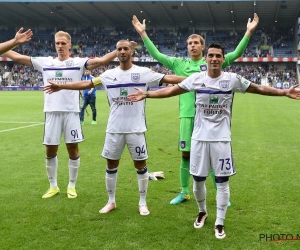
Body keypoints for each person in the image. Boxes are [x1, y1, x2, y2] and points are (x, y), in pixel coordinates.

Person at [127, 42, 300, 239]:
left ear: (222, 59)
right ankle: (202, 212)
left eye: (218, 56)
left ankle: (220, 222)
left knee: (222, 181)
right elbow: (171, 91)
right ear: (206, 58)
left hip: (221, 140)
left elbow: (258, 88)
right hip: (199, 139)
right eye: (211, 55)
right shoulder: (196, 79)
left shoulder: (232, 79)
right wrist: (147, 94)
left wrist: (284, 92)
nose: (215, 59)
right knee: (198, 180)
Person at [43, 39, 186, 215]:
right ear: (116, 52)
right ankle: (111, 201)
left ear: (131, 51)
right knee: (111, 165)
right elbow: (86, 84)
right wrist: (60, 86)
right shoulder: (108, 75)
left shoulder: (143, 73)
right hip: (114, 129)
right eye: (119, 49)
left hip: (136, 129)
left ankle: (142, 202)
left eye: (126, 48)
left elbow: (169, 78)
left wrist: (195, 80)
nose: (122, 51)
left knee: (141, 166)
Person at [132, 13, 259, 205]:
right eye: (190, 43)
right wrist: (143, 34)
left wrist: (248, 32)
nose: (192, 45)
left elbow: (235, 54)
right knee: (186, 154)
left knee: (211, 155)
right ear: (187, 46)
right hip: (187, 115)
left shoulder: (210, 62)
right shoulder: (178, 64)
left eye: (196, 42)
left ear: (203, 46)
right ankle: (184, 192)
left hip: (209, 117)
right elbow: (157, 56)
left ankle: (218, 191)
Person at [4, 31, 120, 199]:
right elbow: (17, 57)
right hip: (51, 112)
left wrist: (119, 50)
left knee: (72, 148)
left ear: (69, 45)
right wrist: (13, 41)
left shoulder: (78, 62)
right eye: (57, 43)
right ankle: (53, 186)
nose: (60, 46)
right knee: (50, 150)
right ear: (54, 44)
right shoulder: (45, 62)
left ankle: (71, 186)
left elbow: (102, 61)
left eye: (63, 43)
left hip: (71, 112)